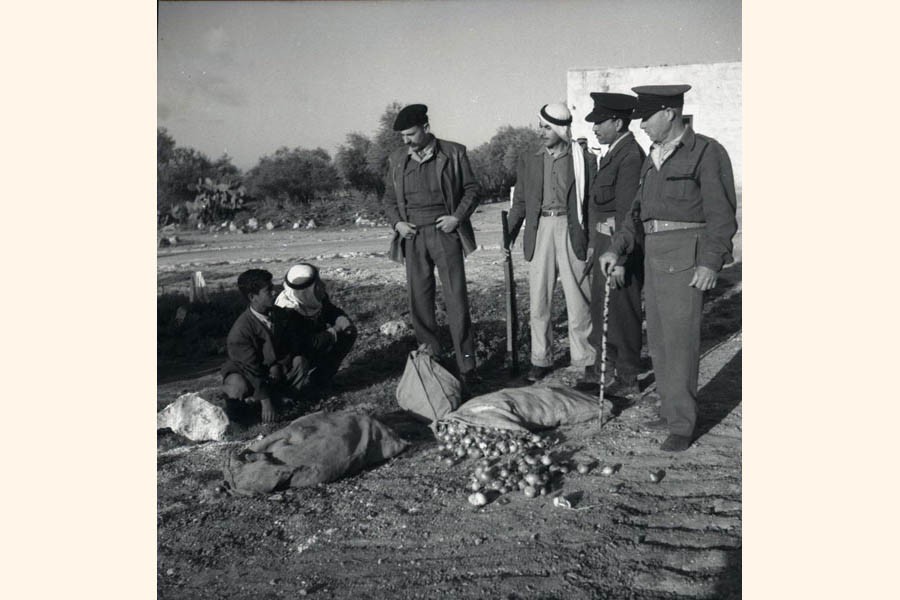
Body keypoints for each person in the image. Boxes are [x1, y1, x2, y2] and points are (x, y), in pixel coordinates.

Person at [598, 84, 737, 452]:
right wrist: (618, 248)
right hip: (654, 252)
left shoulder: (706, 152)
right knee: (659, 341)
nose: (641, 124)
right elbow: (636, 214)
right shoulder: (652, 156)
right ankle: (671, 407)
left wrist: (711, 261)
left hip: (686, 255)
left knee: (680, 343)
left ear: (669, 113)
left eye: (646, 116)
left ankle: (682, 423)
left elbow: (721, 216)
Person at [383, 103, 481, 387]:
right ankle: (432, 363)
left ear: (426, 127)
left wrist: (456, 218)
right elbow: (388, 199)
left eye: (411, 134)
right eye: (402, 136)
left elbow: (472, 189)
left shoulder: (454, 152)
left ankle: (467, 365)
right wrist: (398, 224)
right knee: (419, 302)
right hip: (412, 236)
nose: (406, 141)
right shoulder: (396, 159)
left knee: (456, 299)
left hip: (445, 233)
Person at [506, 102, 594, 382]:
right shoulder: (529, 159)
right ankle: (540, 359)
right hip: (540, 228)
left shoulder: (582, 159)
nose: (540, 131)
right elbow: (520, 200)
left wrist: (592, 239)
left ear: (560, 128)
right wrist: (508, 233)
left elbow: (589, 202)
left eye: (546, 127)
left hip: (571, 229)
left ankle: (584, 357)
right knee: (539, 300)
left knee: (578, 297)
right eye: (539, 126)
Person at [575, 92, 646, 400]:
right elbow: (598, 206)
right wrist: (595, 245)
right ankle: (604, 368)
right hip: (605, 242)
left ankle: (628, 376)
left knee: (623, 311)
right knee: (602, 307)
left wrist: (620, 258)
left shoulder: (630, 156)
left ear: (617, 122)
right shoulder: (613, 152)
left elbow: (628, 211)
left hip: (621, 245)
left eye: (599, 122)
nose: (594, 128)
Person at [220, 269, 312, 423]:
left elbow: (290, 347)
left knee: (300, 362)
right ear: (252, 297)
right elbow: (251, 369)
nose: (275, 292)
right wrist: (266, 402)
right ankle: (245, 413)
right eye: (268, 290)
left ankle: (285, 400)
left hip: (274, 371)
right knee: (237, 386)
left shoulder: (279, 315)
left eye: (273, 287)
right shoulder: (240, 332)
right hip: (249, 375)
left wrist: (278, 365)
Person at [274, 263, 357, 393]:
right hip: (294, 357)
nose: (322, 286)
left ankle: (320, 380)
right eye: (317, 284)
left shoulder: (316, 297)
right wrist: (334, 330)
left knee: (347, 334)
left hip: (318, 343)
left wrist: (341, 318)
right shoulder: (286, 312)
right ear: (305, 291)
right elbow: (305, 344)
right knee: (299, 361)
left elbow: (330, 310)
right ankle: (290, 393)